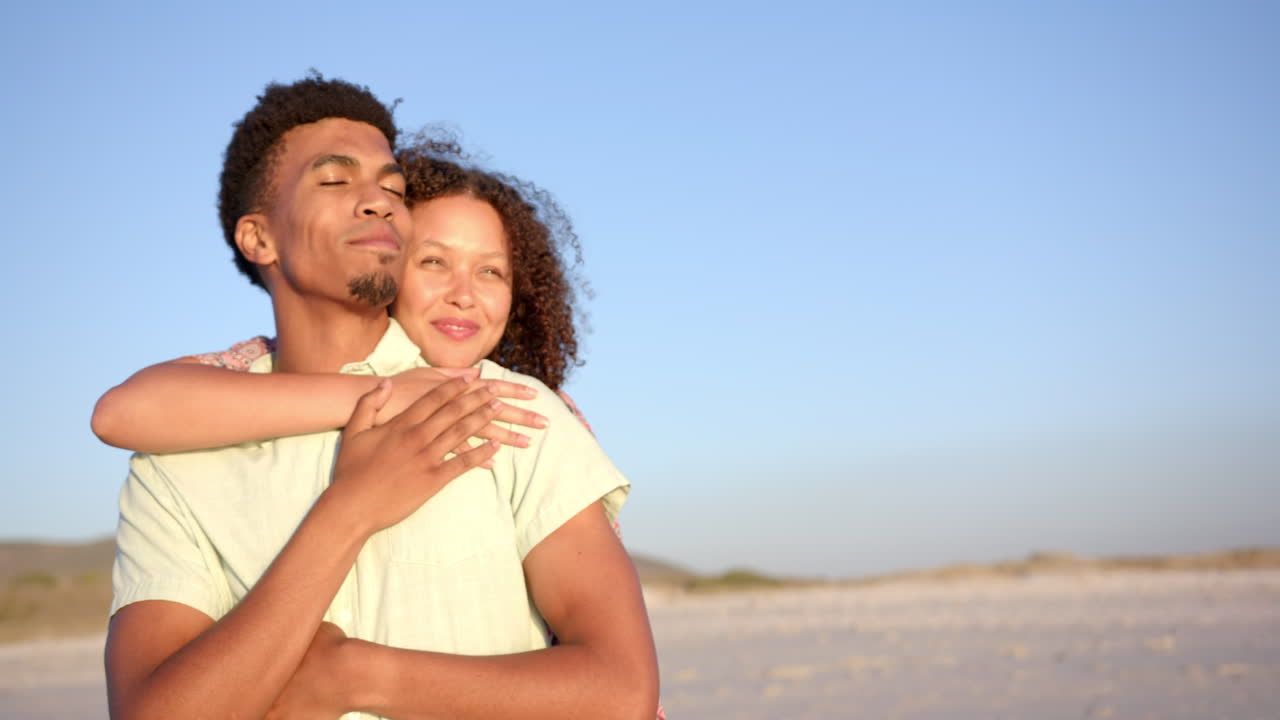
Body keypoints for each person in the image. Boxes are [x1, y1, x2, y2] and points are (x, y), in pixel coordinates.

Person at [102, 75, 658, 720]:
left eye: (393, 189)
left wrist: (356, 676)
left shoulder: (501, 410)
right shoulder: (178, 462)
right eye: (335, 182)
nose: (378, 202)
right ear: (259, 238)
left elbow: (621, 693)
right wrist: (349, 509)